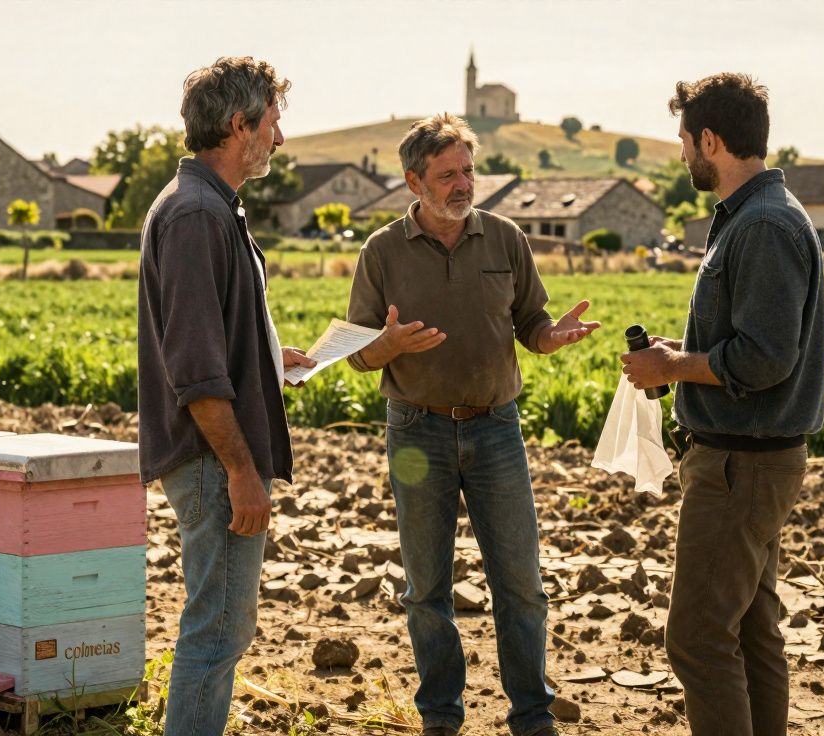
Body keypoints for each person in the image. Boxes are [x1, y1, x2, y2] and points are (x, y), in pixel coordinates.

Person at [346, 113, 599, 736]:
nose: (463, 184)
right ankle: (440, 717)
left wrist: (550, 337)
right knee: (426, 589)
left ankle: (532, 716)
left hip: (495, 430)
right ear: (414, 181)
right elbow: (356, 354)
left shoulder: (506, 237)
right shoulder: (381, 251)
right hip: (417, 433)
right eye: (447, 174)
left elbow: (531, 323)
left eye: (468, 170)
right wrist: (388, 345)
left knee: (521, 584)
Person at [620, 73, 824, 736]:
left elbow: (765, 358)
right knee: (751, 630)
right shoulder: (756, 216)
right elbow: (748, 340)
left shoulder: (763, 225)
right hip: (752, 461)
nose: (682, 153)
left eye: (684, 140)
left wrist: (673, 367)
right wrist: (680, 352)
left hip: (742, 465)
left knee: (700, 637)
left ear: (710, 140)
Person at [136, 56, 314, 735]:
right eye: (273, 123)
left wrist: (267, 357)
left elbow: (208, 339)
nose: (280, 138)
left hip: (213, 456)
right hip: (214, 459)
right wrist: (241, 469)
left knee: (219, 629)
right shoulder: (197, 215)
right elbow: (195, 368)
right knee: (216, 633)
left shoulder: (209, 205)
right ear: (240, 125)